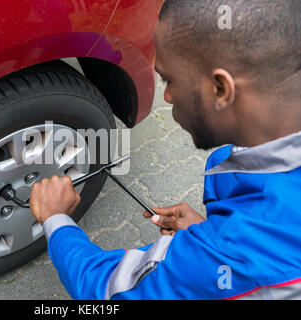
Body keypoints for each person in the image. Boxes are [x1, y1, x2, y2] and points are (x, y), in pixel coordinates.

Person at [29, 0, 301, 300]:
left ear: (220, 89)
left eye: (169, 80)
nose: (167, 96)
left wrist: (55, 219)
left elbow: (105, 289)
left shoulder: (232, 255)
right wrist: (210, 228)